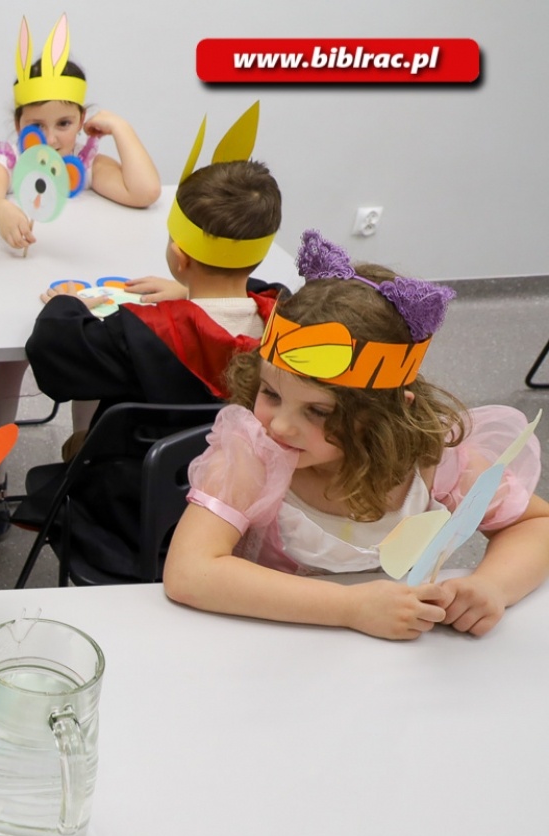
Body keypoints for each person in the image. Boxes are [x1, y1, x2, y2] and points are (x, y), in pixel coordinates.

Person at [162, 231, 549, 640]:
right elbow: (190, 572)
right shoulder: (255, 457)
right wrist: (352, 608)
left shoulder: (433, 462)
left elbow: (534, 525)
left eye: (318, 411)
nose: (279, 426)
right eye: (271, 393)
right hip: (271, 647)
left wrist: (493, 586)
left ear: (384, 415)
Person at [0, 14, 160, 534]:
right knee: (1, 375)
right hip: (13, 288)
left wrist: (119, 129)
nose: (50, 137)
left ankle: (80, 465)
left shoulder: (91, 162)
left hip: (77, 295)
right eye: (37, 125)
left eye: (65, 124)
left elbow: (144, 193)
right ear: (17, 123)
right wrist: (2, 210)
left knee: (88, 372)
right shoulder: (9, 158)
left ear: (83, 121)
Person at [24, 104, 284, 459]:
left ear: (179, 257)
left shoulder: (140, 332)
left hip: (134, 493)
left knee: (78, 448)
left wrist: (68, 305)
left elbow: (52, 353)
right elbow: (256, 292)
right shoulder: (286, 318)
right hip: (240, 479)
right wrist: (190, 293)